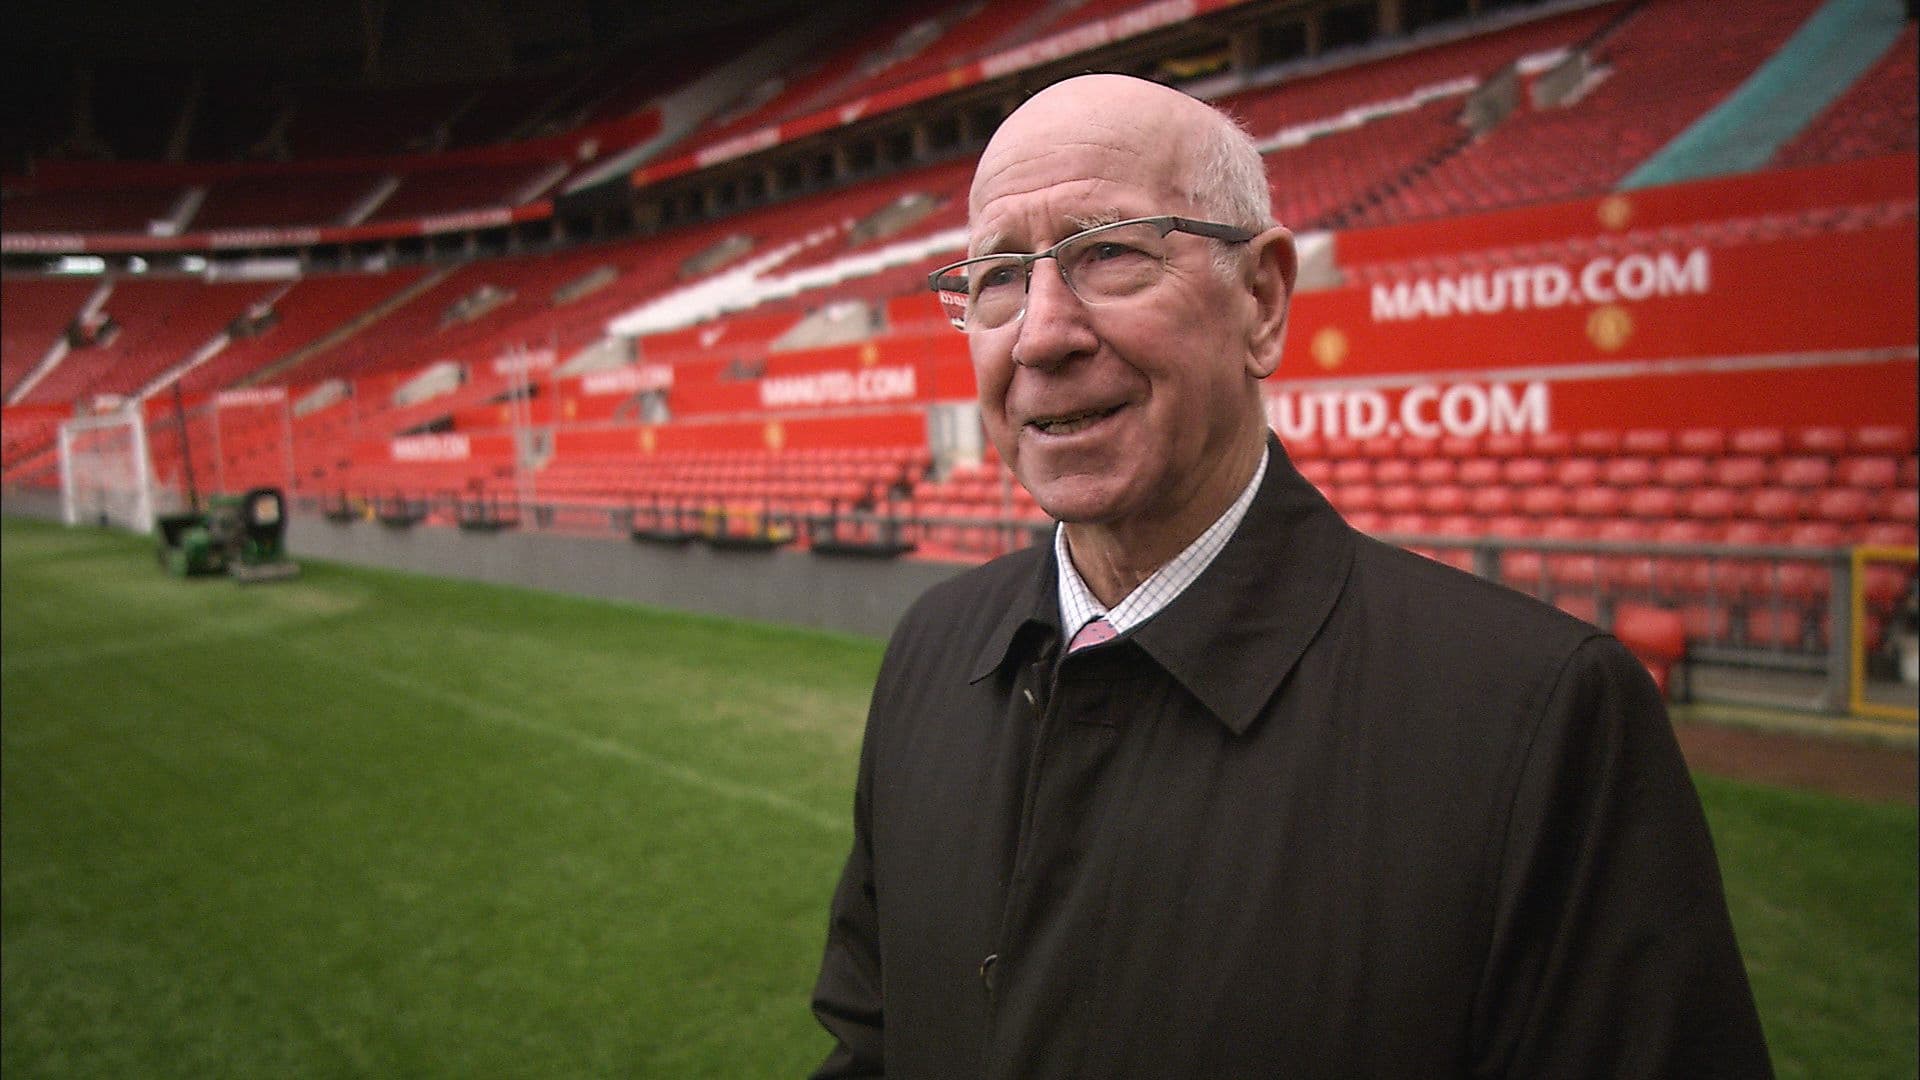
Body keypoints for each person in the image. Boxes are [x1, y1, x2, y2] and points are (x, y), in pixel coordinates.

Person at [810, 73, 1773, 1079]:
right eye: (1002, 274)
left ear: (1261, 300)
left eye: (1109, 253)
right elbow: (874, 1044)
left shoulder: (1541, 720)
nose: (1043, 332)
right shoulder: (930, 648)